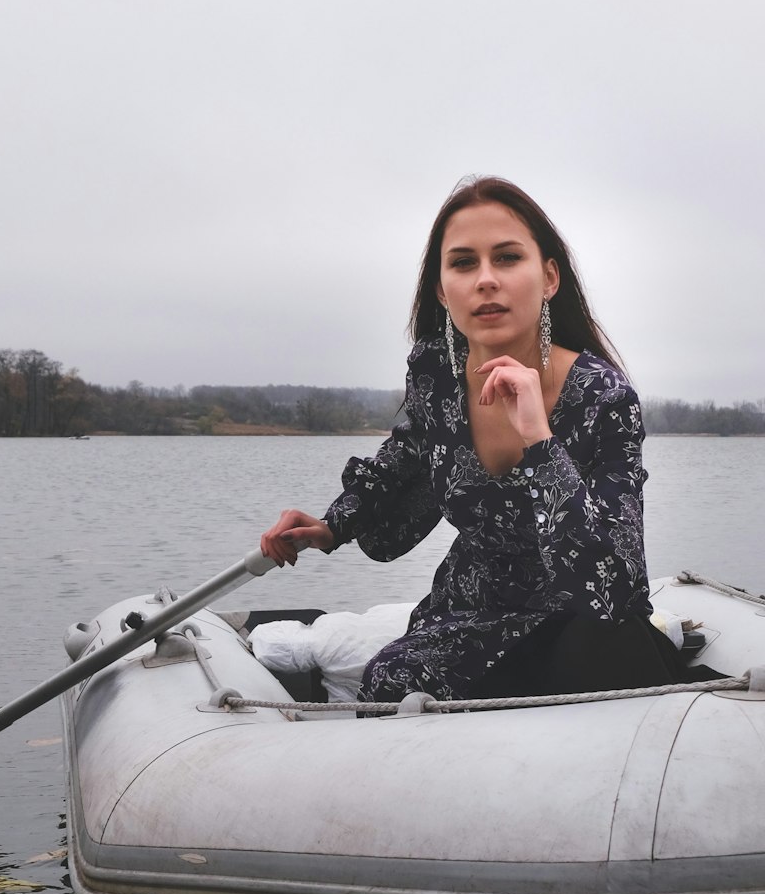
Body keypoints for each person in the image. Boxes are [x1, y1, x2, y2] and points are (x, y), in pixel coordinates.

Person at [260, 175, 683, 704]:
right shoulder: (435, 369)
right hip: (473, 609)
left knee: (604, 653)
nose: (486, 280)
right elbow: (403, 460)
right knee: (389, 684)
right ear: (442, 289)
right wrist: (330, 526)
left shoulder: (602, 395)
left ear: (548, 277)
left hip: (580, 619)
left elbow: (614, 582)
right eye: (463, 263)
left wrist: (538, 436)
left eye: (507, 258)